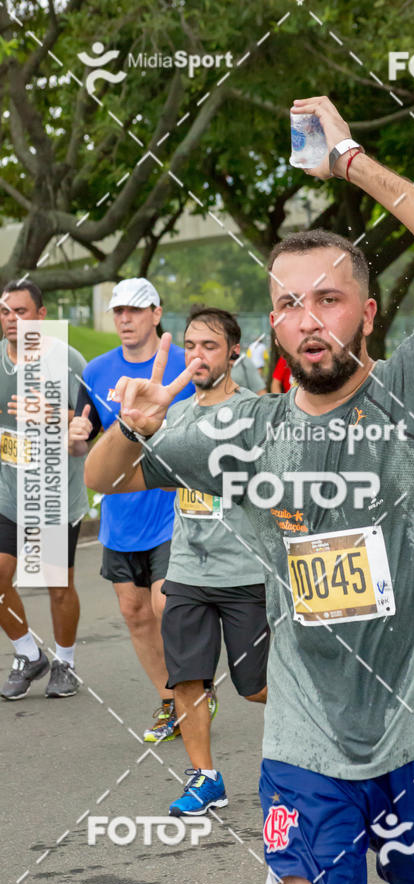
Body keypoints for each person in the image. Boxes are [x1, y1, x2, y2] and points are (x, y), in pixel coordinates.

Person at [85, 95, 414, 884]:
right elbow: (106, 478)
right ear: (273, 327)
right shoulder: (243, 429)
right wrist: (128, 426)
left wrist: (348, 159)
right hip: (308, 729)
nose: (309, 319)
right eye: (287, 303)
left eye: (328, 298)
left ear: (370, 315)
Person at [68, 277, 195, 741]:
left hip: (173, 509)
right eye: (119, 310)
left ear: (156, 314)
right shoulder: (98, 371)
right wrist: (76, 441)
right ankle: (170, 703)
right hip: (121, 515)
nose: (125, 318)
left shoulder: (185, 365)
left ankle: (192, 693)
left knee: (168, 607)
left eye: (135, 310)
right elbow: (84, 439)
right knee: (135, 612)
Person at [160, 305, 269, 816]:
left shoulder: (255, 414)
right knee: (187, 678)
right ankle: (206, 778)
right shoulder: (176, 414)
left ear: (233, 352)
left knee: (256, 688)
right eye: (190, 345)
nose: (197, 355)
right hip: (187, 569)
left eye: (208, 346)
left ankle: (326, 738)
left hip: (246, 573)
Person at [0, 280, 88, 700]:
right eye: (4, 312)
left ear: (40, 315)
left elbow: (87, 426)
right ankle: (28, 653)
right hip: (7, 490)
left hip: (52, 491)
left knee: (57, 585)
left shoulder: (65, 359)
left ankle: (65, 662)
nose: (11, 320)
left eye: (20, 311)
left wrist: (51, 415)